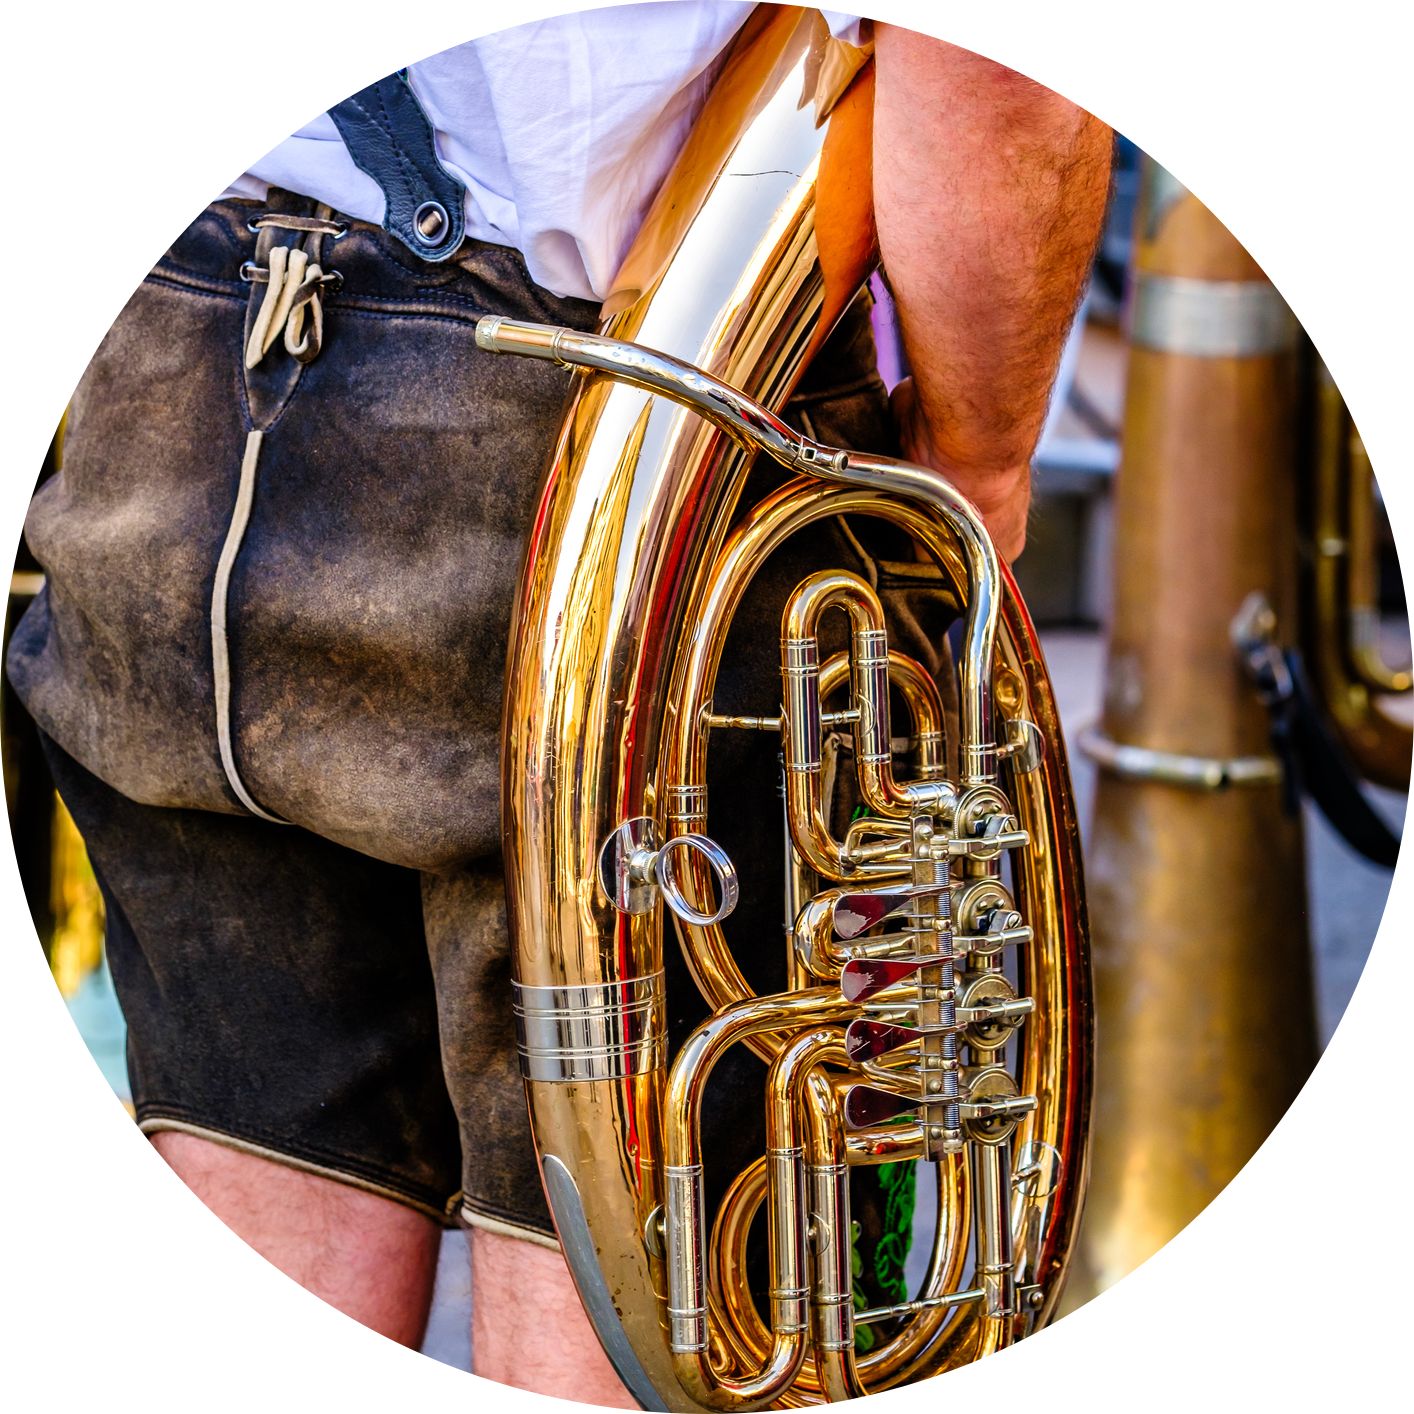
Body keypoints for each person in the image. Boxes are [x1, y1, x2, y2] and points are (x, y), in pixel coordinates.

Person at [6, 5, 1111, 1405]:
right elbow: (1000, 71)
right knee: (634, 1262)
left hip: (174, 399)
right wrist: (977, 471)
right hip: (582, 416)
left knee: (260, 1163)